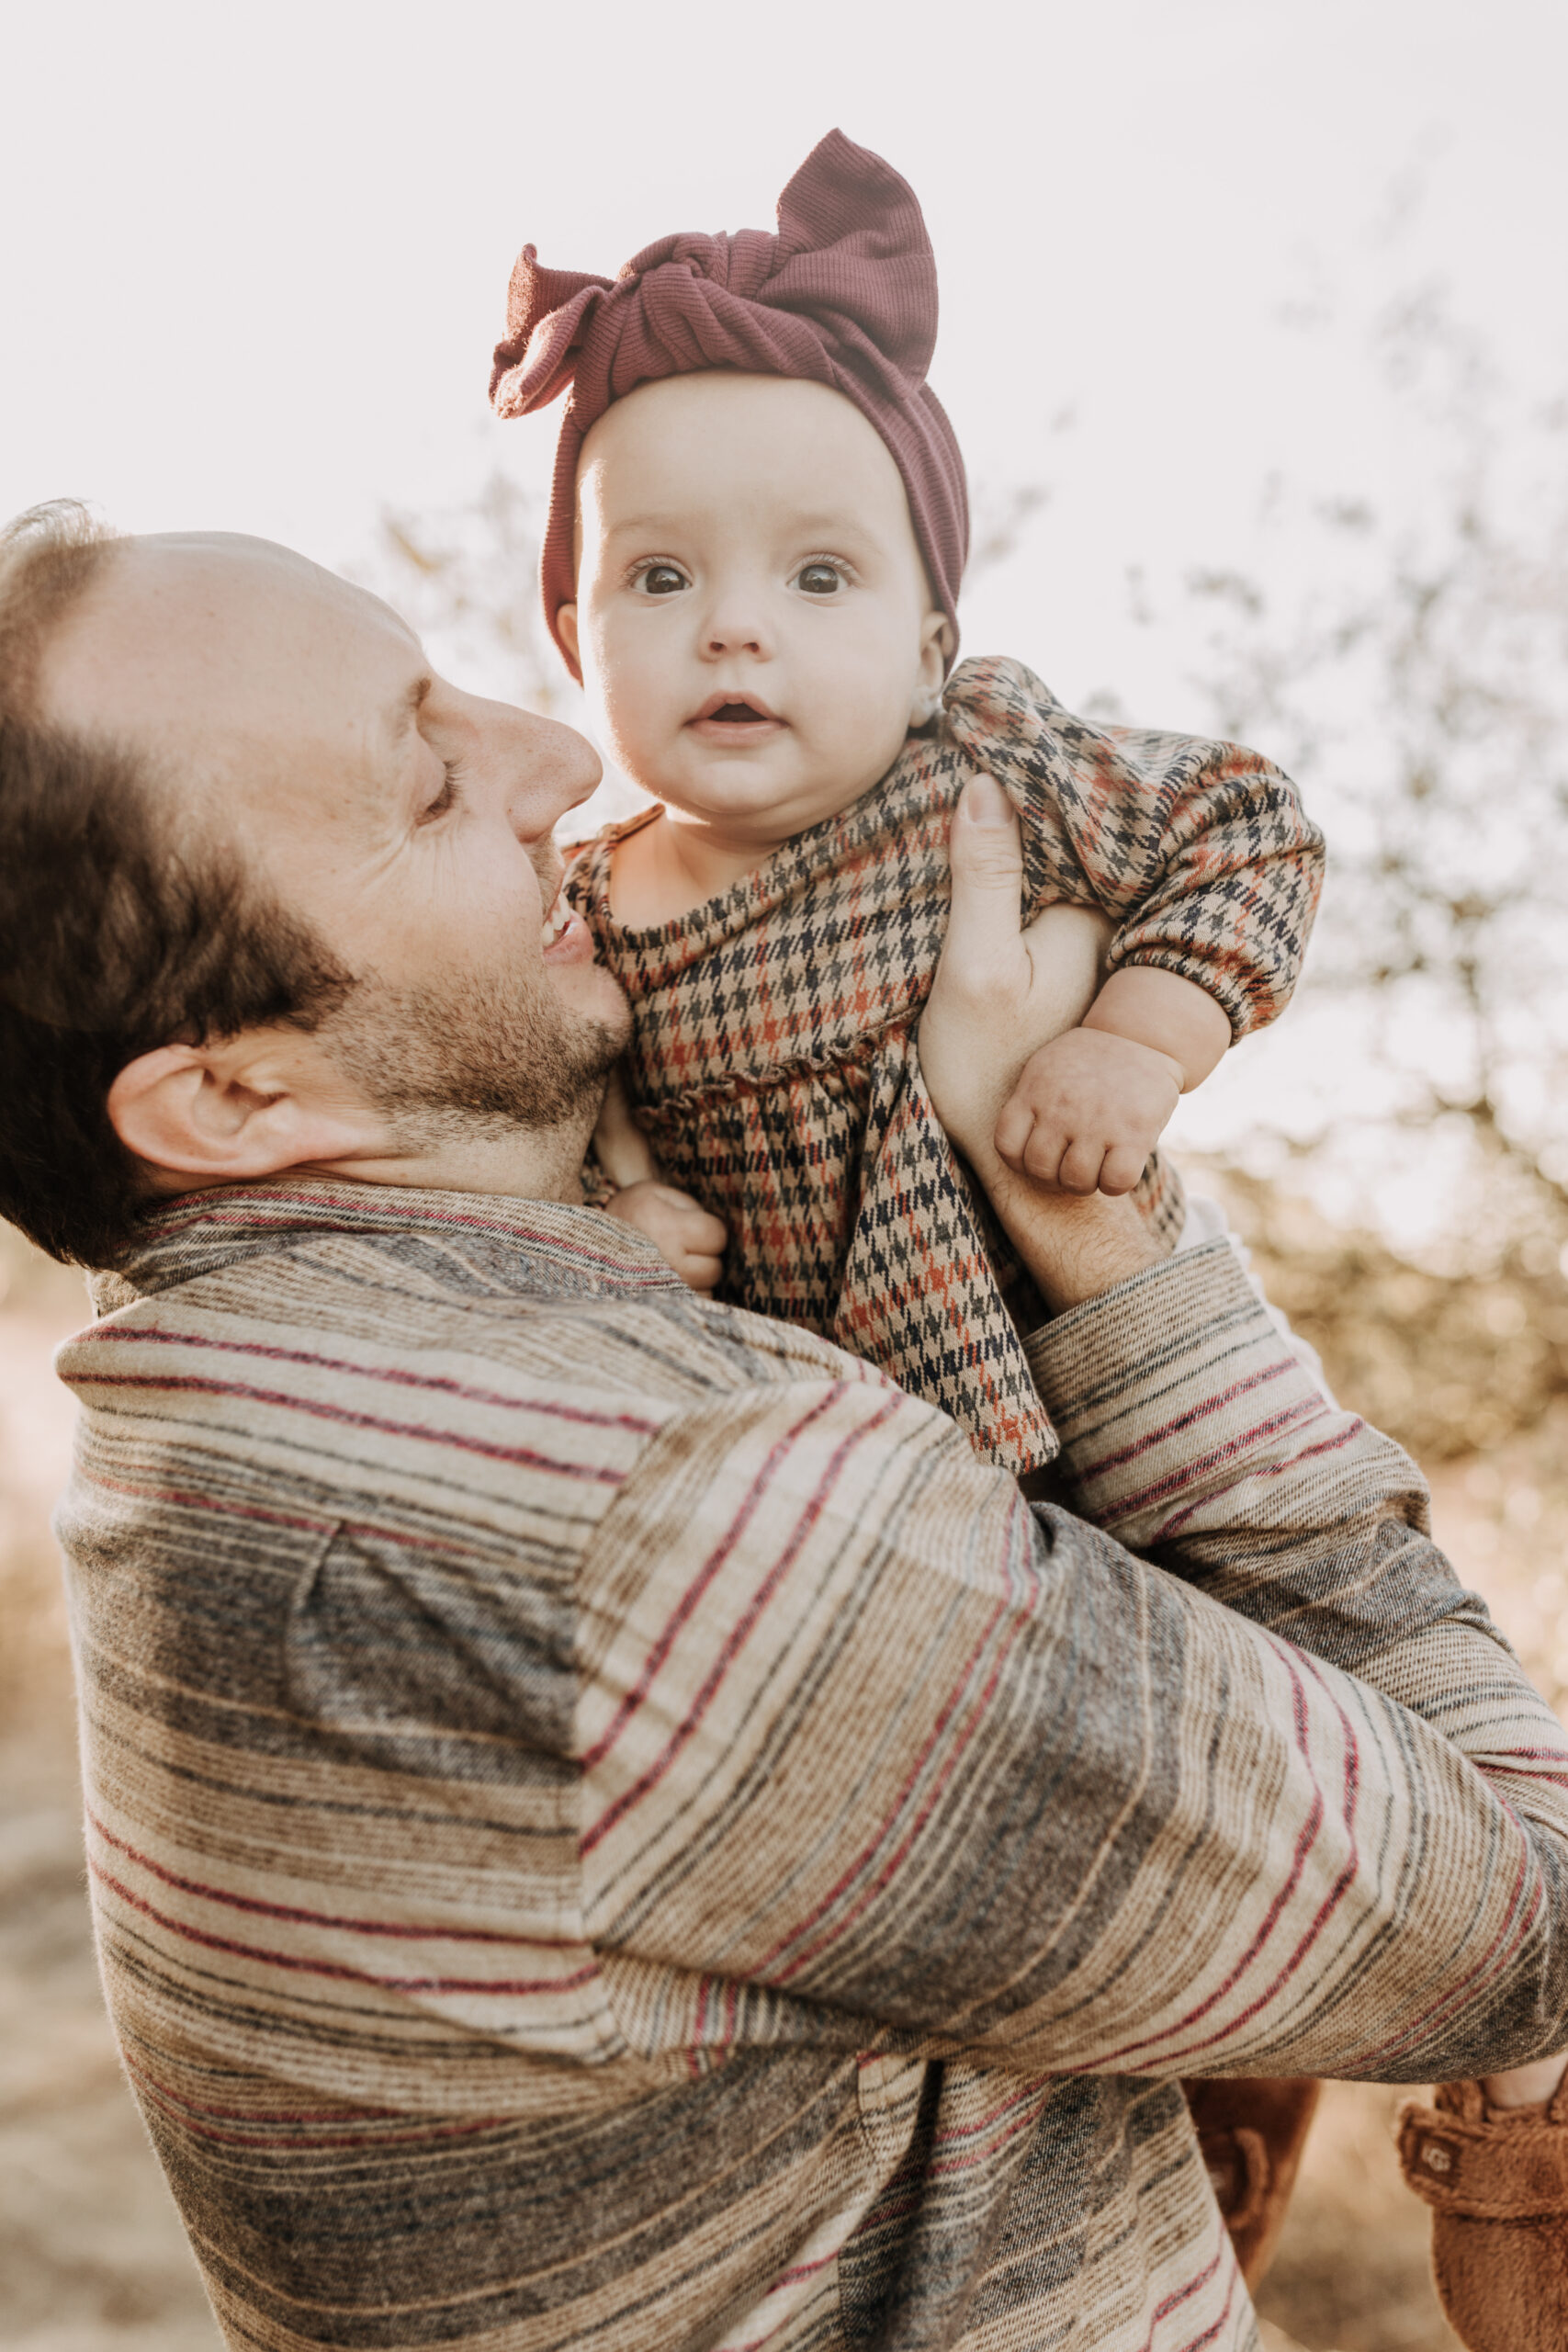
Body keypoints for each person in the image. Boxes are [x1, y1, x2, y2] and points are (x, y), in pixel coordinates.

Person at [4, 506, 1566, 2352]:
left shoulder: (207, 1396)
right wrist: (1093, 1223)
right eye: (423, 782)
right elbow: (1508, 1904)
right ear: (236, 1094)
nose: (565, 755)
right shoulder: (639, 1507)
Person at [489, 129, 1325, 1484]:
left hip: (1091, 1365)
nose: (737, 629)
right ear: (578, 645)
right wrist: (617, 1222)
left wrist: (1139, 1037)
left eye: (820, 577)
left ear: (931, 651)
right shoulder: (566, 909)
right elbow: (522, 1113)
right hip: (804, 1456)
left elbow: (1245, 825)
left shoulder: (980, 771)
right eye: (661, 579)